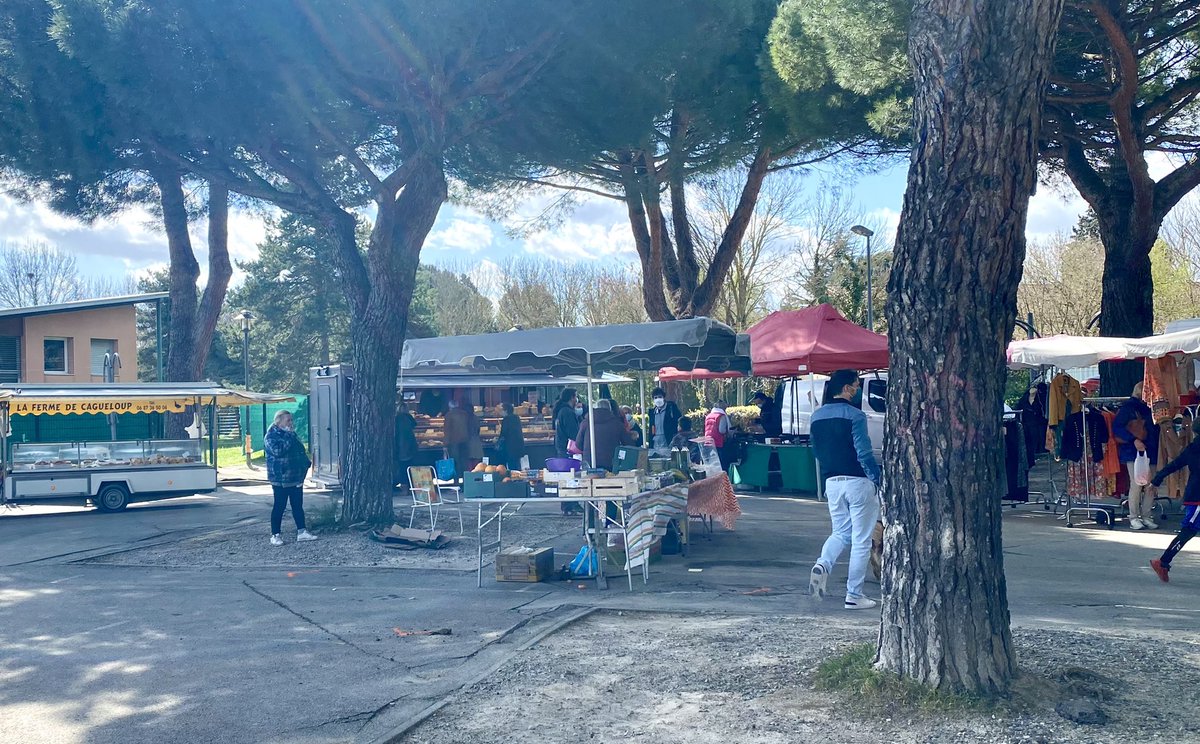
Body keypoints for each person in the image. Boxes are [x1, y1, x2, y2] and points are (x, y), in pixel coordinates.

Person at [807, 369, 880, 610]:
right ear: (847, 388)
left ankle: (823, 564)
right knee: (861, 540)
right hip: (858, 481)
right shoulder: (855, 416)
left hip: (832, 482)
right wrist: (877, 477)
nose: (857, 389)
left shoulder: (816, 417)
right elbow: (864, 452)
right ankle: (854, 594)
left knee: (840, 532)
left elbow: (815, 449)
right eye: (856, 385)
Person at [1147, 416, 1200, 582]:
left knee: (1188, 531)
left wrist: (1156, 480)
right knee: (1188, 531)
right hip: (1198, 497)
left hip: (1194, 495)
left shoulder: (1192, 448)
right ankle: (1162, 562)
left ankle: (1162, 562)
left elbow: (1174, 465)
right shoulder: (1194, 449)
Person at [263, 410, 318, 546]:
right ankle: (275, 534)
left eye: (291, 420)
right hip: (280, 478)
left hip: (295, 477)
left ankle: (302, 531)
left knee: (297, 505)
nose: (291, 423)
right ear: (279, 421)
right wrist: (288, 436)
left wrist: (305, 464)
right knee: (279, 506)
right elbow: (278, 451)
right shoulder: (271, 435)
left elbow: (299, 450)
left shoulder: (291, 434)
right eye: (288, 420)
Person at [1114, 381, 1161, 530]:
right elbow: (1117, 428)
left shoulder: (1148, 407)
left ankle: (1146, 515)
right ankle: (1134, 516)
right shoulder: (1128, 408)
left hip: (1149, 448)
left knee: (1150, 484)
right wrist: (1133, 440)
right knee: (1137, 484)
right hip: (1134, 450)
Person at [577, 398, 635, 471]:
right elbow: (628, 444)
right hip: (610, 464)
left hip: (589, 464)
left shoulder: (585, 423)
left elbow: (578, 445)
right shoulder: (617, 424)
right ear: (610, 409)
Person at [553, 388, 583, 515]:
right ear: (572, 397)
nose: (577, 399)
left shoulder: (561, 411)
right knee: (571, 475)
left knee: (566, 475)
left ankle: (568, 505)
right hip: (568, 448)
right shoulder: (567, 412)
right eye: (576, 396)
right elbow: (573, 432)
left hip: (562, 447)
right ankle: (571, 503)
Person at [443, 397, 470, 478]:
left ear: (450, 407)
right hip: (465, 441)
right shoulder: (465, 414)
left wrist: (445, 445)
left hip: (454, 442)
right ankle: (465, 481)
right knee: (464, 463)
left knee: (455, 463)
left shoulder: (449, 415)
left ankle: (457, 482)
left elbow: (447, 431)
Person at [648, 387, 682, 451]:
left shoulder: (671, 409)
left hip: (668, 441)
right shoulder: (652, 412)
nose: (658, 399)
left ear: (663, 398)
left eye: (660, 397)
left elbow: (679, 422)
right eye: (655, 397)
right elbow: (651, 429)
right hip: (656, 441)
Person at [497, 401, 526, 471]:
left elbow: (504, 433)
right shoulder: (517, 418)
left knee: (511, 467)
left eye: (502, 410)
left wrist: (497, 441)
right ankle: (517, 479)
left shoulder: (506, 419)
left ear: (506, 410)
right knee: (517, 466)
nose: (500, 412)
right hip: (518, 446)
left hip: (509, 447)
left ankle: (513, 480)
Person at [394, 401, 418, 486]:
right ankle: (411, 485)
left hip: (401, 448)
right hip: (411, 447)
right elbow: (415, 425)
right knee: (410, 467)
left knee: (402, 469)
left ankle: (404, 487)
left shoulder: (397, 419)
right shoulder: (409, 418)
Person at [704, 399, 733, 470]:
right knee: (721, 464)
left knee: (712, 464)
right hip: (718, 442)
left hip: (708, 442)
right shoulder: (721, 416)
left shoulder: (708, 415)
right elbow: (722, 430)